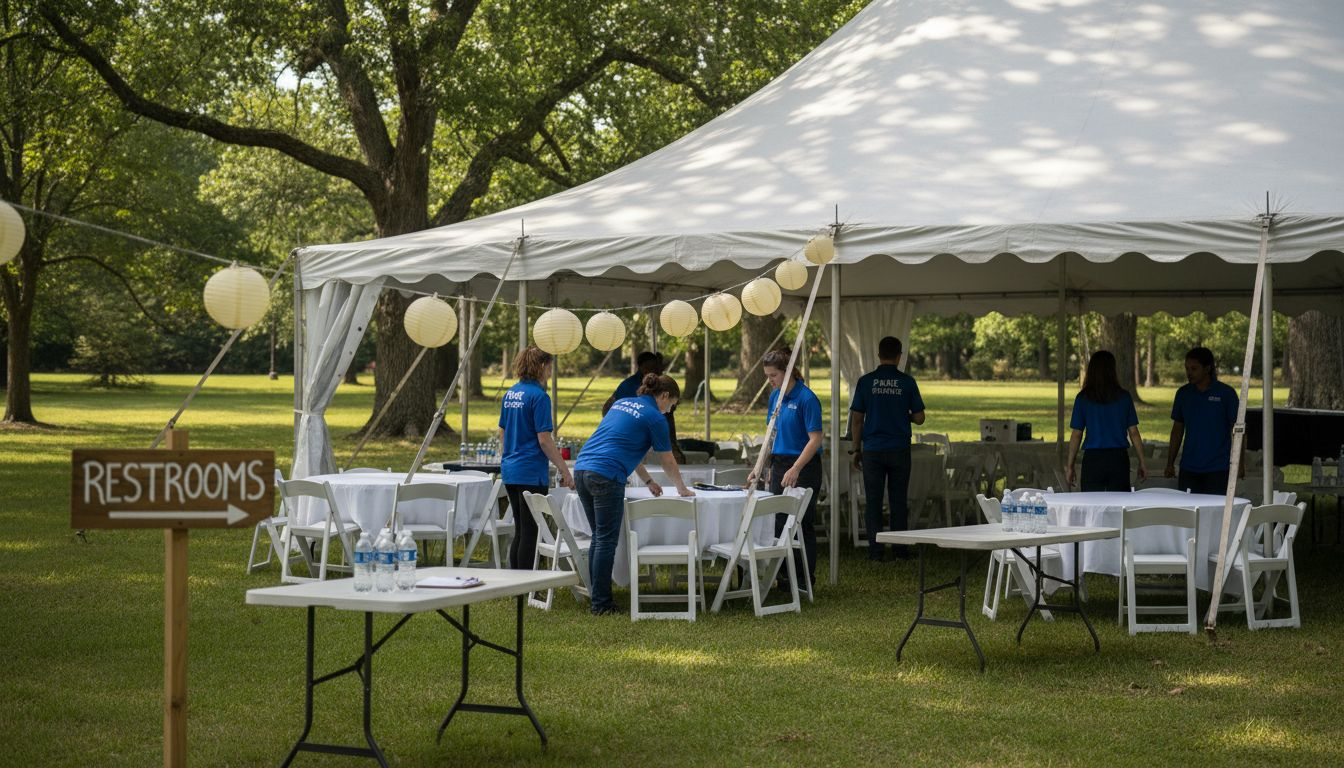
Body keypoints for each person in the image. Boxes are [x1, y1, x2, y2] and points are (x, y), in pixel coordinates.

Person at [574, 373, 693, 615]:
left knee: (599, 536)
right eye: (671, 406)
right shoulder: (655, 418)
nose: (669, 412)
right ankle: (602, 604)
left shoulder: (621, 404)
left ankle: (598, 596)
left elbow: (622, 444)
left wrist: (648, 480)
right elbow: (668, 460)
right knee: (607, 540)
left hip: (582, 468)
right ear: (664, 396)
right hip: (607, 475)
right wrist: (682, 488)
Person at [848, 336, 925, 561]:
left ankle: (876, 550)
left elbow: (856, 420)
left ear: (879, 355)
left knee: (873, 501)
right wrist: (905, 416)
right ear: (899, 356)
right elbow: (920, 418)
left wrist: (856, 449)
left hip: (872, 449)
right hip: (899, 448)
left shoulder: (865, 382)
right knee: (898, 500)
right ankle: (900, 549)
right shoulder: (907, 382)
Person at [498, 347, 574, 570]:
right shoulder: (540, 397)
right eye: (550, 367)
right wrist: (564, 470)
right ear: (541, 366)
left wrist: (512, 453)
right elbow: (544, 440)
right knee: (531, 530)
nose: (550, 372)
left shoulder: (511, 393)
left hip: (511, 469)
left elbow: (502, 432)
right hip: (530, 470)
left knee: (521, 528)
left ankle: (515, 582)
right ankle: (526, 584)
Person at [753, 348, 823, 587]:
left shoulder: (807, 398)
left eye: (773, 375)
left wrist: (796, 468)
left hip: (804, 465)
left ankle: (805, 578)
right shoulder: (775, 397)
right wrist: (760, 465)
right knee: (778, 520)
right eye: (767, 375)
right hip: (780, 463)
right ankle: (784, 576)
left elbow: (815, 439)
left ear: (788, 372)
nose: (770, 381)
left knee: (801, 522)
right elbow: (771, 434)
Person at [1066, 350, 1148, 491]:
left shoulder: (1083, 398)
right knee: (1118, 507)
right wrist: (1142, 461)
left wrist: (1070, 465)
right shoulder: (1124, 397)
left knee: (1092, 506)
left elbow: (1076, 434)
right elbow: (1133, 432)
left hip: (1093, 459)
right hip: (1118, 458)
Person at [1166, 347, 1241, 494]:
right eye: (1187, 368)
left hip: (1218, 468)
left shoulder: (1226, 394)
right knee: (1188, 514)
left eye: (1194, 369)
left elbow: (1239, 431)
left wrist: (1240, 463)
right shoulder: (1183, 394)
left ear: (1207, 368)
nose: (1189, 373)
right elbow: (1177, 430)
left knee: (1216, 514)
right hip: (1189, 468)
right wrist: (1170, 462)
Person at [604, 350, 686, 462]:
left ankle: (673, 450)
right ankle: (673, 450)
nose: (659, 370)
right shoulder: (630, 387)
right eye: (655, 367)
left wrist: (648, 480)